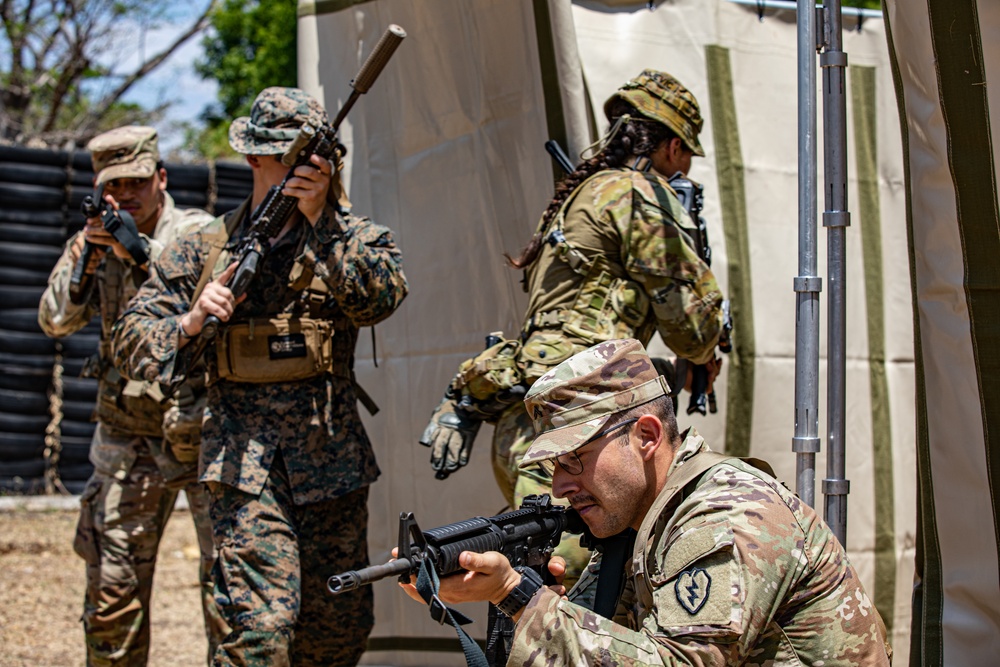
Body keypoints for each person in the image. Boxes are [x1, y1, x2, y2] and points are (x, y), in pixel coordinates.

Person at [111, 87, 409, 666]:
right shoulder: (204, 247)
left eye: (314, 161)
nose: (303, 171)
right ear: (253, 157)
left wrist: (325, 222)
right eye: (289, 159)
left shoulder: (354, 238)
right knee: (260, 630)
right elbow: (131, 336)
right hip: (242, 468)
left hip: (332, 466)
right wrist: (191, 321)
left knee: (337, 633)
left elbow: (381, 297)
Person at [403, 337, 893, 666]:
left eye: (575, 460)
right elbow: (612, 647)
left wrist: (516, 595)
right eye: (555, 466)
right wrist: (536, 606)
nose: (559, 487)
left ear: (646, 435)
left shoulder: (725, 513)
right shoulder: (635, 523)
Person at [420, 69, 726, 585]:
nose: (687, 167)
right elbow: (689, 330)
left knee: (542, 582)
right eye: (688, 153)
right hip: (579, 430)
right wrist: (709, 337)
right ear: (672, 146)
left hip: (530, 417)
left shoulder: (581, 193)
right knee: (558, 590)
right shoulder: (638, 194)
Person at [37, 125, 226, 665]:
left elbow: (204, 291)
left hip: (199, 431)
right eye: (114, 188)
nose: (127, 196)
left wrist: (138, 248)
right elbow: (53, 320)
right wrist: (88, 259)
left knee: (226, 588)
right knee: (112, 591)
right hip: (127, 435)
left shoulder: (194, 230)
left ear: (161, 178)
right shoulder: (93, 240)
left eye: (138, 182)